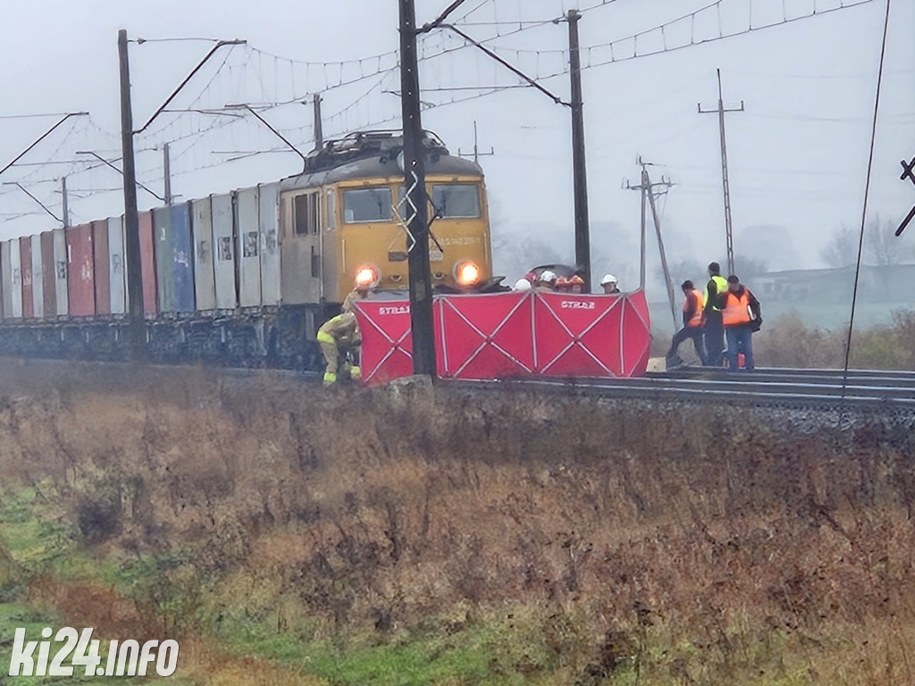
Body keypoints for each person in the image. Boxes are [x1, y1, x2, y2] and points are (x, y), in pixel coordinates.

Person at [722, 274, 761, 372]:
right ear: (729, 284)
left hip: (745, 326)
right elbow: (718, 305)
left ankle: (750, 371)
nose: (734, 287)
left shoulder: (746, 292)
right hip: (731, 327)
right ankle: (734, 371)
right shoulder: (725, 295)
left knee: (748, 350)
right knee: (732, 351)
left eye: (735, 284)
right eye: (732, 285)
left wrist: (757, 315)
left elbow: (755, 304)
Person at [666, 280, 707, 368]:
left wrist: (687, 321)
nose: (684, 294)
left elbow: (690, 310)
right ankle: (706, 364)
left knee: (676, 339)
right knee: (699, 348)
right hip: (698, 325)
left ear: (686, 289)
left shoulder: (691, 295)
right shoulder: (699, 294)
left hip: (692, 325)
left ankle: (671, 358)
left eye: (684, 291)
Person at [316, 311, 362, 386]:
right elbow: (350, 336)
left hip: (327, 334)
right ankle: (329, 383)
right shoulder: (353, 319)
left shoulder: (349, 317)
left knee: (339, 360)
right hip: (327, 336)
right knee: (333, 362)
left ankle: (339, 379)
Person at [703, 262, 729, 366]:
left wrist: (705, 314)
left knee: (710, 340)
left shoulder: (712, 283)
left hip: (712, 314)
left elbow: (710, 300)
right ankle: (719, 362)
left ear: (710, 271)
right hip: (723, 315)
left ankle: (711, 362)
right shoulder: (725, 282)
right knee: (719, 339)